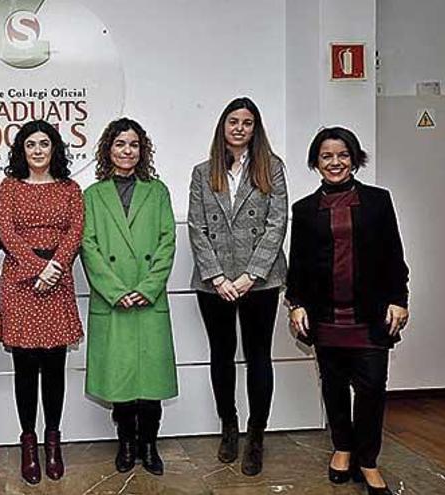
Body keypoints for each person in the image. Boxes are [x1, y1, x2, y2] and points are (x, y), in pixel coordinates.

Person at [287, 127, 408, 495]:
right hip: (325, 317)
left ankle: (368, 461)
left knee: (372, 389)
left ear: (354, 159)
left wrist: (399, 299)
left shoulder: (378, 201)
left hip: (369, 316)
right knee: (335, 387)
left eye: (342, 155)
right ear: (316, 163)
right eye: (327, 156)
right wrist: (296, 304)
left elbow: (394, 256)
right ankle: (342, 447)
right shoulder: (304, 210)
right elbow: (299, 265)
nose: (335, 162)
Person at [187, 97, 288, 476]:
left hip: (258, 283)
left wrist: (250, 276)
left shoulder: (271, 168)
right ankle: (228, 427)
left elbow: (277, 224)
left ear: (255, 128)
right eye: (233, 121)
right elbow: (197, 228)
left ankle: (256, 435)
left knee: (259, 356)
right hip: (215, 283)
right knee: (222, 355)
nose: (240, 128)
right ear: (222, 126)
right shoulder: (202, 172)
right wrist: (217, 278)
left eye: (247, 122)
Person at [82, 118, 177, 476]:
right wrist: (116, 292)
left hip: (148, 300)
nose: (127, 150)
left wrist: (147, 288)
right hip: (114, 301)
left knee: (150, 382)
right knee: (119, 381)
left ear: (142, 150)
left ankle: (149, 445)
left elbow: (168, 241)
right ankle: (125, 443)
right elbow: (88, 246)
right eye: (120, 144)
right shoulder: (92, 195)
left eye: (134, 144)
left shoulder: (158, 191)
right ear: (108, 149)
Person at [0, 120, 83, 485]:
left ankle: (53, 440)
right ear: (21, 150)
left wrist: (56, 266)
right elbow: (5, 231)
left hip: (58, 280)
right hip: (20, 282)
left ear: (54, 149)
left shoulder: (70, 188)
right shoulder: (10, 187)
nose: (37, 150)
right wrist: (38, 268)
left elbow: (75, 230)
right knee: (25, 369)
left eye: (43, 144)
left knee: (54, 368)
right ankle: (28, 442)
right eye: (29, 144)